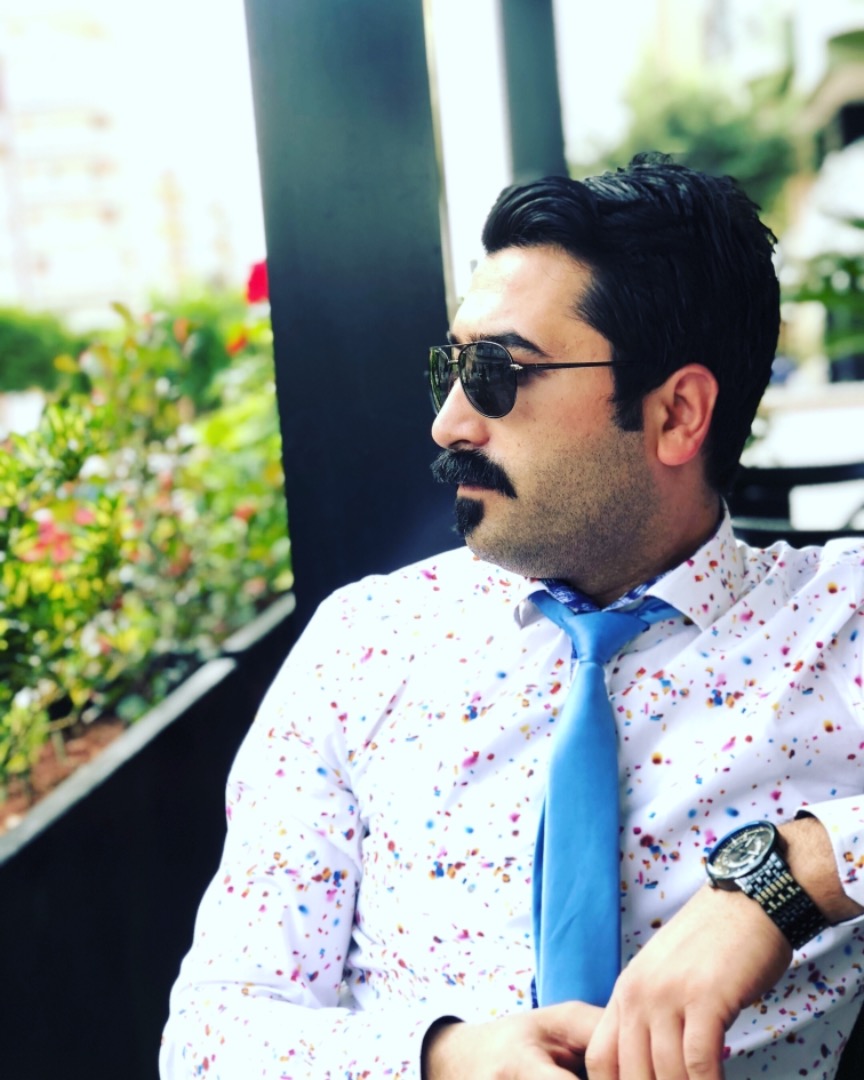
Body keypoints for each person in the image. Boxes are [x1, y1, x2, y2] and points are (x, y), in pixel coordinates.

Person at [160, 154, 864, 1080]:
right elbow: (210, 1037)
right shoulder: (363, 645)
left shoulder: (839, 627)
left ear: (678, 414)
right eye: (452, 369)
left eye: (498, 373)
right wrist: (446, 1060)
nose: (450, 423)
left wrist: (793, 875)